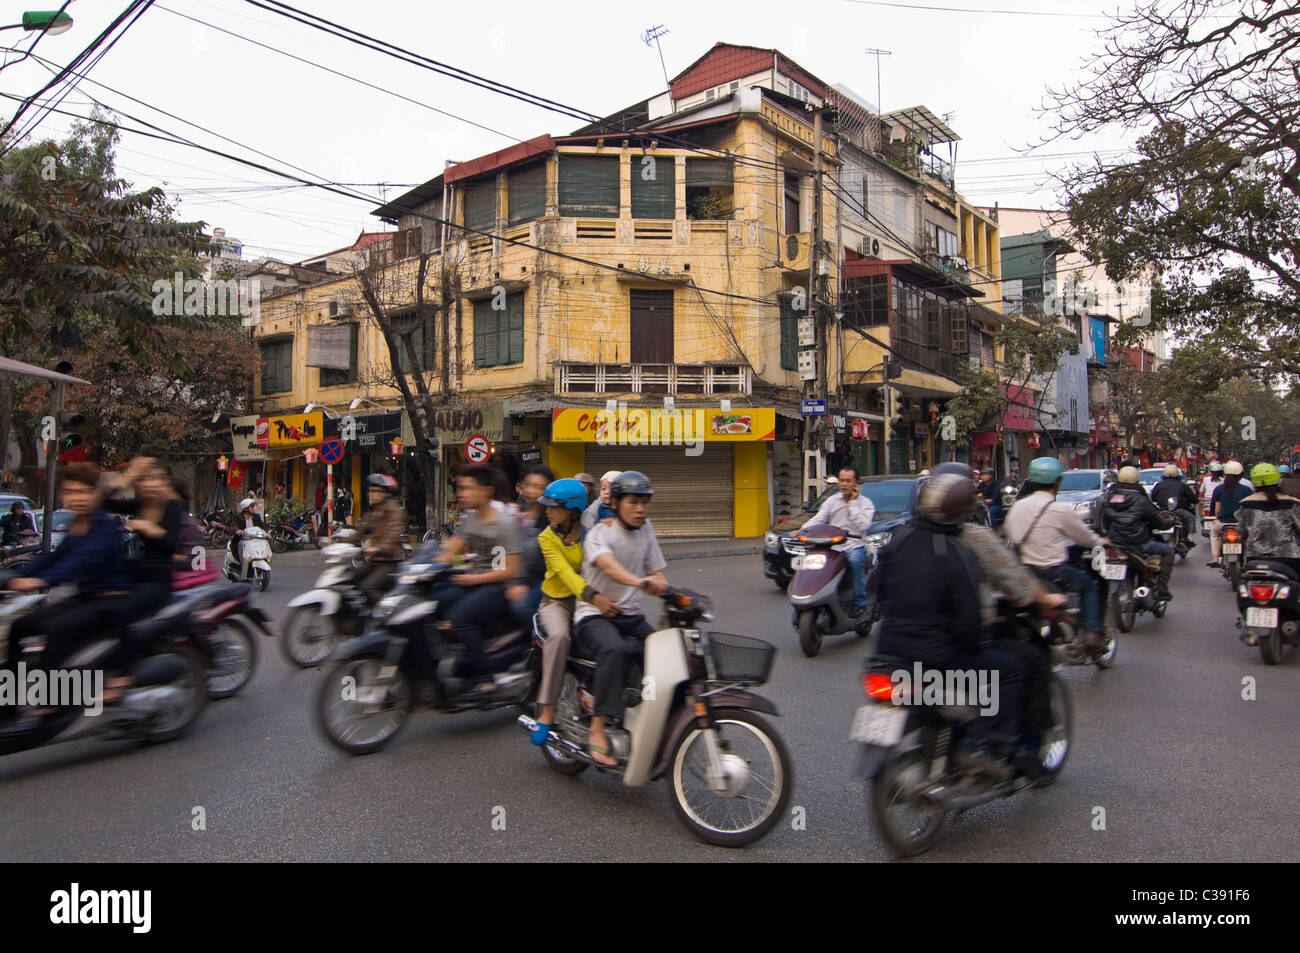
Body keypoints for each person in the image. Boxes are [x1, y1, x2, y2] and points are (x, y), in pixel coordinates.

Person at [873, 467, 1041, 779]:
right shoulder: (958, 550)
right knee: (1011, 670)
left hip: (889, 651)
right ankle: (984, 745)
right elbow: (969, 619)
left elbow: (876, 588)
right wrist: (975, 645)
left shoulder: (901, 537)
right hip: (939, 657)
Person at [2, 464, 132, 718]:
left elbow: (79, 563)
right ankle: (12, 696)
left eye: (83, 491)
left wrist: (38, 582)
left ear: (95, 493)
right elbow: (53, 558)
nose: (77, 498)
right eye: (71, 492)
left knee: (57, 630)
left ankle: (52, 702)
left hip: (109, 604)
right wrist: (14, 576)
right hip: (83, 599)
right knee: (20, 626)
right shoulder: (77, 524)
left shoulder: (104, 527)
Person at [572, 471, 669, 767]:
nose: (640, 509)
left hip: (630, 615)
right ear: (615, 502)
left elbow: (656, 570)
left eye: (644, 502)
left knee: (664, 650)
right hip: (595, 614)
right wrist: (640, 583)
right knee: (613, 649)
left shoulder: (646, 528)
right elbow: (610, 568)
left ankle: (641, 712)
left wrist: (667, 587)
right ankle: (598, 729)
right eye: (633, 502)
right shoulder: (600, 534)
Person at [529, 478, 617, 745]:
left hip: (588, 602)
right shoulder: (546, 537)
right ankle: (546, 711)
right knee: (560, 638)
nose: (546, 510)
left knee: (614, 642)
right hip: (556, 602)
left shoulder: (592, 532)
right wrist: (595, 597)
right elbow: (566, 575)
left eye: (553, 506)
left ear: (573, 509)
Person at [429, 466, 526, 697]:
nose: (461, 493)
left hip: (496, 586)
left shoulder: (503, 524)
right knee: (434, 601)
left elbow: (508, 570)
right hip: (473, 581)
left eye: (466, 488)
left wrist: (472, 578)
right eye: (460, 488)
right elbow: (454, 549)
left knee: (459, 618)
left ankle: (486, 675)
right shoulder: (471, 518)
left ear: (486, 491)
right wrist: (425, 566)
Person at [1003, 457, 1108, 656]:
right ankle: (1092, 634)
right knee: (1089, 586)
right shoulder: (1059, 509)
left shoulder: (1017, 507)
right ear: (1057, 481)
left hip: (1023, 573)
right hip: (1052, 572)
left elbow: (1010, 534)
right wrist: (1100, 542)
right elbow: (1084, 537)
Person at [1237, 465, 1300, 642]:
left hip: (1254, 560)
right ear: (1278, 480)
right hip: (1289, 559)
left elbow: (1240, 532)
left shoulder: (1245, 504)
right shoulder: (1291, 503)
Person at [808, 466, 876, 613]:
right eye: (841, 480)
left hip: (854, 546)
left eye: (848, 481)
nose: (844, 484)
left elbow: (863, 525)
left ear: (856, 484)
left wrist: (853, 503)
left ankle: (860, 603)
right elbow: (818, 519)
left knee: (855, 561)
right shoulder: (831, 501)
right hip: (833, 547)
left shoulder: (866, 504)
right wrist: (801, 530)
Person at [1100, 466, 1174, 600]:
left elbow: (1105, 523)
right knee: (1168, 550)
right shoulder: (1141, 499)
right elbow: (1158, 521)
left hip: (1115, 543)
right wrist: (1169, 523)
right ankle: (1162, 589)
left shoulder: (1109, 498)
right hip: (1138, 542)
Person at [509, 465, 555, 627]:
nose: (531, 490)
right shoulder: (515, 512)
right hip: (515, 576)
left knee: (520, 607)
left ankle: (540, 638)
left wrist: (523, 584)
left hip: (544, 579)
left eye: (538, 487)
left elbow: (546, 563)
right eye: (528, 484)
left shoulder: (552, 518)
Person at [353, 474, 406, 604]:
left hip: (389, 561)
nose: (371, 494)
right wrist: (339, 543)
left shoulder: (393, 510)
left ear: (385, 493)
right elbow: (361, 532)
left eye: (375, 491)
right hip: (374, 560)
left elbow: (392, 534)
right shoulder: (373, 511)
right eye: (370, 491)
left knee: (368, 586)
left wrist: (378, 548)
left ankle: (385, 616)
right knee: (351, 578)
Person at [1208, 461, 1253, 568]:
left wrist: (1217, 517)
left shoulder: (1218, 489)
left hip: (1223, 523)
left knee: (1214, 534)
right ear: (1241, 476)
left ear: (1224, 475)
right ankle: (1248, 559)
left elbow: (1216, 510)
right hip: (1241, 524)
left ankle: (1215, 558)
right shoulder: (1246, 490)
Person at [1150, 464, 1198, 549]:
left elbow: (1153, 498)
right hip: (1178, 511)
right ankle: (1189, 538)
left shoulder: (1158, 485)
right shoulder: (1182, 485)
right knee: (1191, 518)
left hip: (1161, 511)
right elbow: (1193, 498)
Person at [232, 497, 267, 574]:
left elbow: (263, 526)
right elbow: (233, 525)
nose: (253, 508)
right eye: (252, 507)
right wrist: (238, 530)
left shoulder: (256, 516)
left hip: (255, 540)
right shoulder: (238, 517)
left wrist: (267, 533)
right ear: (246, 508)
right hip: (243, 540)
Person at [1198, 461, 1224, 533]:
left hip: (1207, 502)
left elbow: (1201, 492)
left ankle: (1202, 518)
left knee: (1199, 504)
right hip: (1219, 503)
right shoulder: (1223, 481)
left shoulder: (1206, 479)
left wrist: (1202, 498)